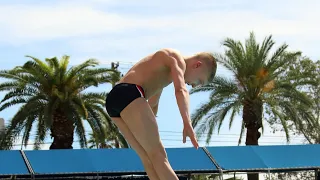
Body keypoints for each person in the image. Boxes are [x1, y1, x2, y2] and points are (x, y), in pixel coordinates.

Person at [105, 48, 217, 180]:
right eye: (199, 81)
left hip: (114, 101)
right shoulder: (175, 57)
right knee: (159, 155)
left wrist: (150, 126)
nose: (193, 86)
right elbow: (180, 90)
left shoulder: (160, 72)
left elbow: (153, 103)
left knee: (148, 158)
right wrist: (187, 122)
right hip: (129, 93)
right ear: (197, 65)